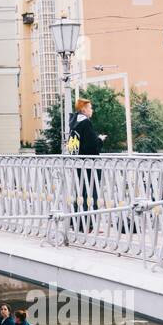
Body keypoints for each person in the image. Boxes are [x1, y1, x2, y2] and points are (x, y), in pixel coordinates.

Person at [68, 98, 105, 232]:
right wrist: (100, 140)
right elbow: (91, 146)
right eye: (90, 107)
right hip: (89, 164)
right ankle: (89, 225)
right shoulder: (86, 123)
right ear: (83, 109)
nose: (92, 110)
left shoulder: (74, 123)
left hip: (78, 163)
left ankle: (77, 222)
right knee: (91, 194)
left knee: (79, 192)